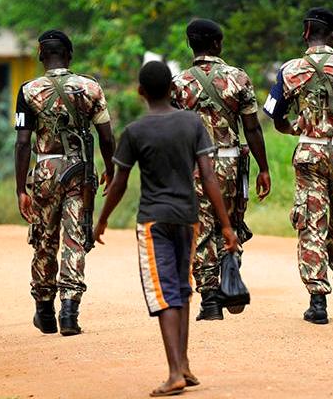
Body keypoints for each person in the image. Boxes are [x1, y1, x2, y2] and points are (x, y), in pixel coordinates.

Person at [93, 61, 237, 397]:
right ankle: (183, 365)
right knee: (182, 289)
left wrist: (102, 219)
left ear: (140, 92)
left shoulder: (135, 131)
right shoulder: (192, 123)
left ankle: (174, 373)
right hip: (189, 218)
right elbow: (209, 176)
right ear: (173, 89)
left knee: (165, 293)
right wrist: (226, 224)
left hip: (154, 220)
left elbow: (119, 183)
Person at [264, 7, 333, 325]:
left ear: (305, 33)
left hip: (309, 155)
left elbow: (273, 112)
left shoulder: (290, 70)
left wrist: (292, 128)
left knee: (313, 223)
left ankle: (316, 301)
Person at [14, 30, 115, 336]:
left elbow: (22, 142)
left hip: (44, 171)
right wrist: (110, 168)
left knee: (44, 238)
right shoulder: (90, 87)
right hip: (80, 172)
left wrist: (21, 189)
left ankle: (44, 310)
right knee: (74, 239)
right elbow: (107, 136)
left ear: (40, 55)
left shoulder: (28, 90)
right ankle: (69, 312)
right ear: (69, 55)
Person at [171, 18, 271, 321]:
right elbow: (252, 128)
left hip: (194, 166)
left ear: (190, 45)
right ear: (217, 44)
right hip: (231, 162)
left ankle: (211, 299)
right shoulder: (238, 78)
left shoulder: (178, 84)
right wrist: (263, 169)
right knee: (232, 222)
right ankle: (230, 271)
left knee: (200, 228)